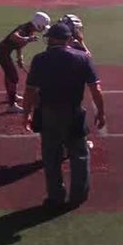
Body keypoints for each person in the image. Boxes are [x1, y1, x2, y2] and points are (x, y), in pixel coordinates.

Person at [22, 22, 106, 209]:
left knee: (51, 157)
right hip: (74, 113)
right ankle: (79, 195)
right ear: (69, 39)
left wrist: (26, 113)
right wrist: (101, 112)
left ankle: (55, 196)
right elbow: (95, 89)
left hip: (48, 113)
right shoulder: (83, 58)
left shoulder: (39, 59)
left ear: (49, 39)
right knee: (79, 155)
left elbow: (30, 91)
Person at [0, 12, 51, 111]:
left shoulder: (30, 29)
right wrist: (28, 39)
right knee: (14, 78)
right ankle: (11, 106)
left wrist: (19, 58)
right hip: (1, 53)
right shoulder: (25, 28)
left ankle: (10, 96)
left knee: (9, 75)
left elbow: (18, 45)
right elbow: (14, 37)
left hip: (4, 52)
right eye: (43, 26)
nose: (43, 29)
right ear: (38, 24)